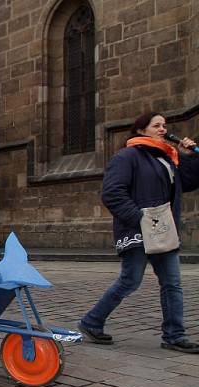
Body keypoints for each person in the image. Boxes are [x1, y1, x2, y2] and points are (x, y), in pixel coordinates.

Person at [78, 111, 199, 353]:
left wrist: (190, 156)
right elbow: (112, 193)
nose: (163, 129)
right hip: (138, 230)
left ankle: (175, 336)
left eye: (164, 125)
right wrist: (140, 218)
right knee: (130, 280)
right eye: (157, 125)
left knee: (172, 283)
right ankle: (92, 322)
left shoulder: (168, 158)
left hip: (164, 230)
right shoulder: (127, 156)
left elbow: (189, 182)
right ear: (142, 130)